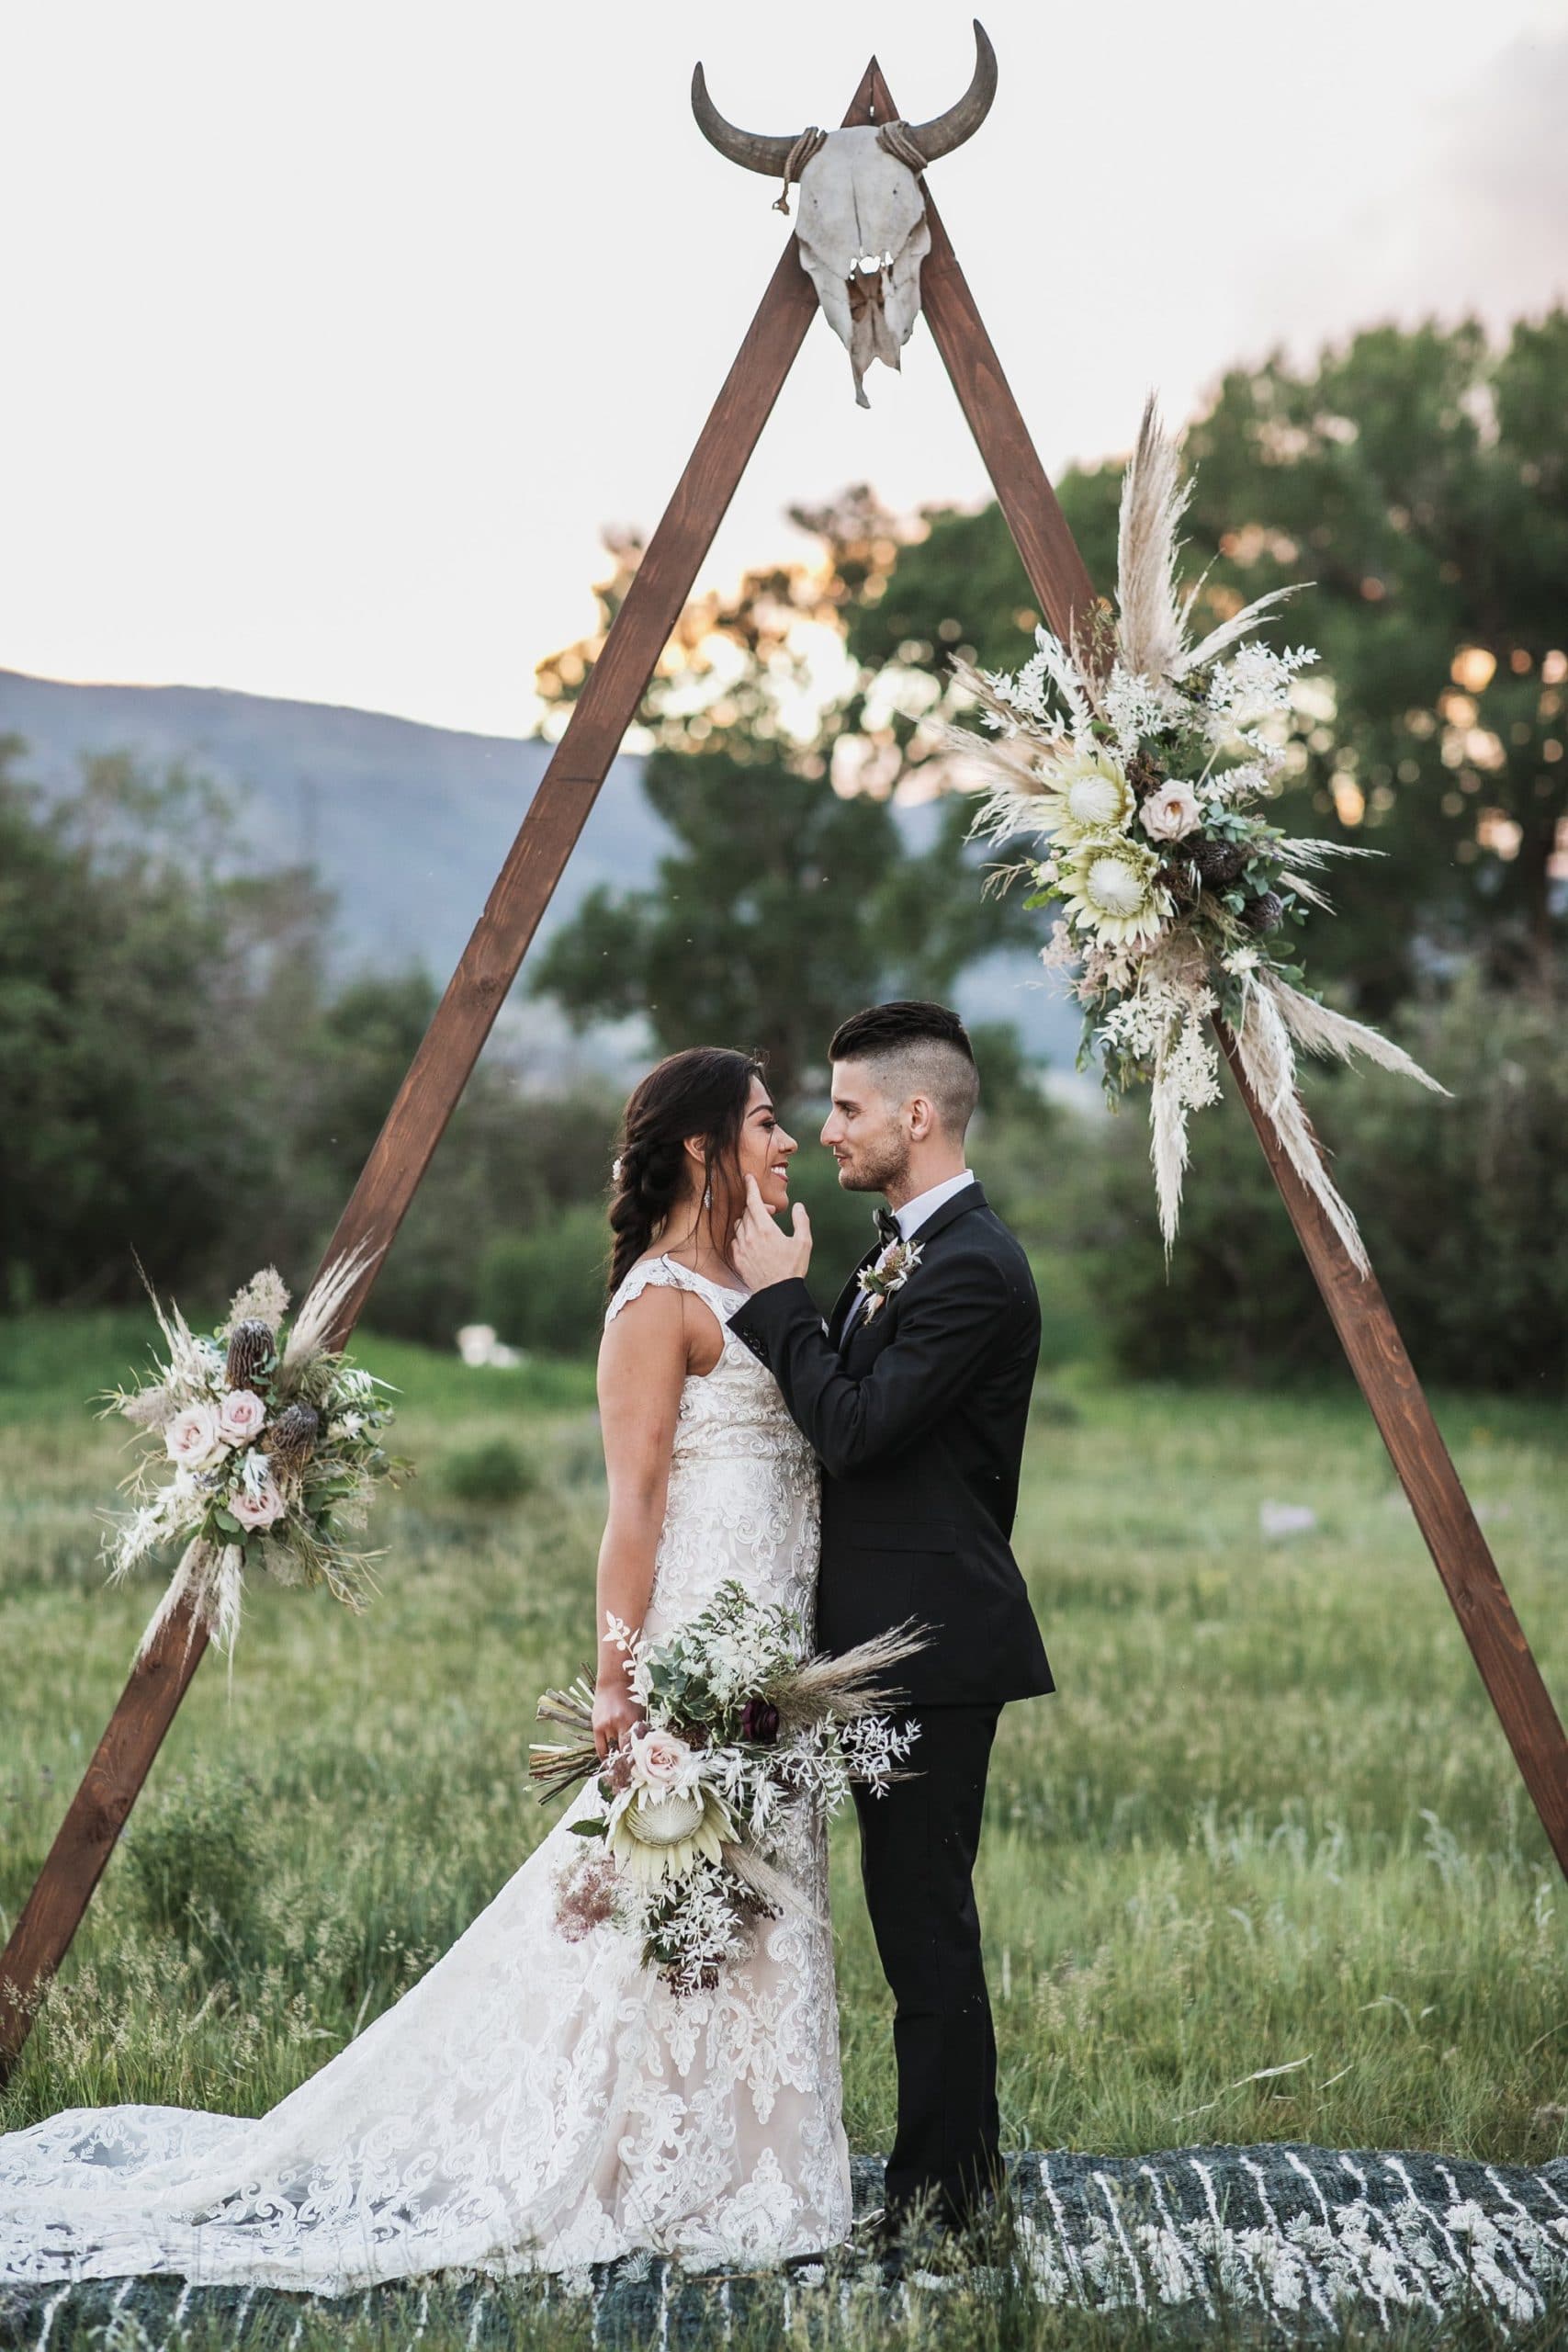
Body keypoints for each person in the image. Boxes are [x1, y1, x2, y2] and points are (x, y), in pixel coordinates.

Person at [0, 1048, 852, 2290]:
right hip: (696, 1650)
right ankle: (644, 2164)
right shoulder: (654, 1304)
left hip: (782, 1640)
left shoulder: (769, 1275)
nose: (791, 1143)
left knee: (758, 1895)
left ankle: (749, 2161)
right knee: (665, 1898)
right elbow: (636, 1510)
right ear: (704, 1148)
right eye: (770, 1123)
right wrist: (619, 1683)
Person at [729, 1001, 1053, 2251]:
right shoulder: (906, 1250)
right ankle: (941, 2190)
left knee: (925, 1929)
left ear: (918, 1116)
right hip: (882, 1644)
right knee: (912, 1922)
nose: (828, 1130)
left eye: (849, 1107)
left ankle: (945, 2207)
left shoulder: (974, 1265)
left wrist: (778, 1305)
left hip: (931, 1646)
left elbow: (859, 1430)